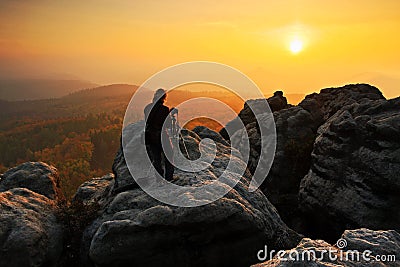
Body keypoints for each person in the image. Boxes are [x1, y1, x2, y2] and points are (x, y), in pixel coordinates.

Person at [144, 88, 174, 181]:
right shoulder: (164, 109)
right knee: (169, 155)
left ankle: (159, 178)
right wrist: (171, 114)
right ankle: (169, 178)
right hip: (162, 135)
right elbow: (167, 124)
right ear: (164, 98)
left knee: (156, 158)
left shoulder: (147, 108)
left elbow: (147, 121)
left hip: (150, 136)